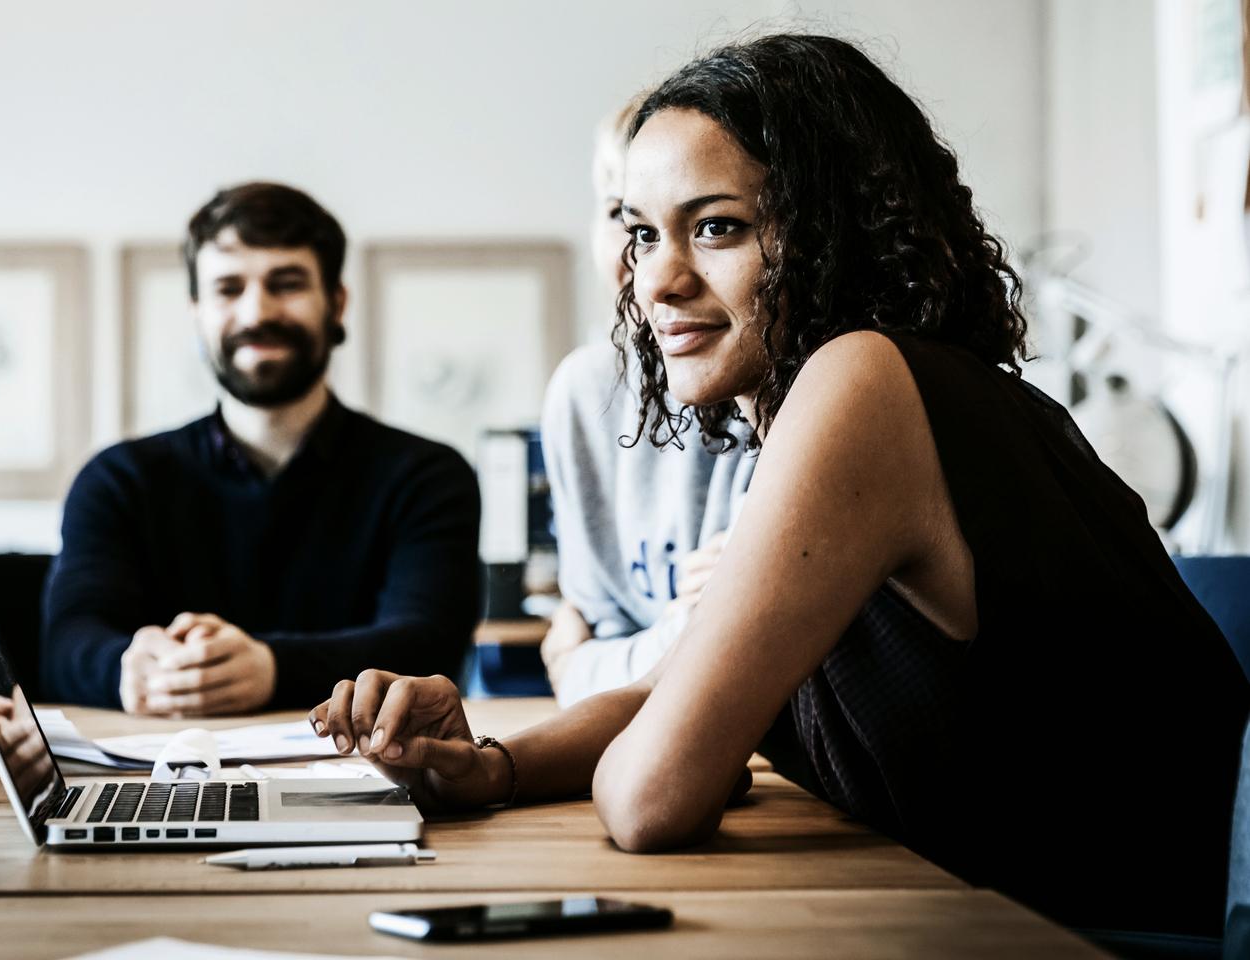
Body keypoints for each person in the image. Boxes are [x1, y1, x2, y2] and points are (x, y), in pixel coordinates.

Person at [312, 35, 1249, 938]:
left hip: (1110, 937)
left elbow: (649, 799)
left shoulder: (863, 382)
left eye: (716, 227)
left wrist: (693, 754)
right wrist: (491, 767)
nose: (657, 281)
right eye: (641, 234)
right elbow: (671, 694)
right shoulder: (883, 390)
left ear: (830, 229)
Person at [44, 182, 480, 717]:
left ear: (336, 303)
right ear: (197, 312)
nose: (257, 312)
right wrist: (130, 670)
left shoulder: (427, 476)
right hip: (161, 781)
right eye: (228, 288)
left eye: (287, 283)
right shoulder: (117, 479)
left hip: (364, 778)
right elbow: (66, 643)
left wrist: (272, 668)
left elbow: (427, 644)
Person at [540, 96, 755, 707]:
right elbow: (597, 623)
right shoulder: (584, 393)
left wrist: (583, 669)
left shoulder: (772, 387)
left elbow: (730, 655)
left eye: (710, 224)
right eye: (630, 223)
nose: (655, 268)